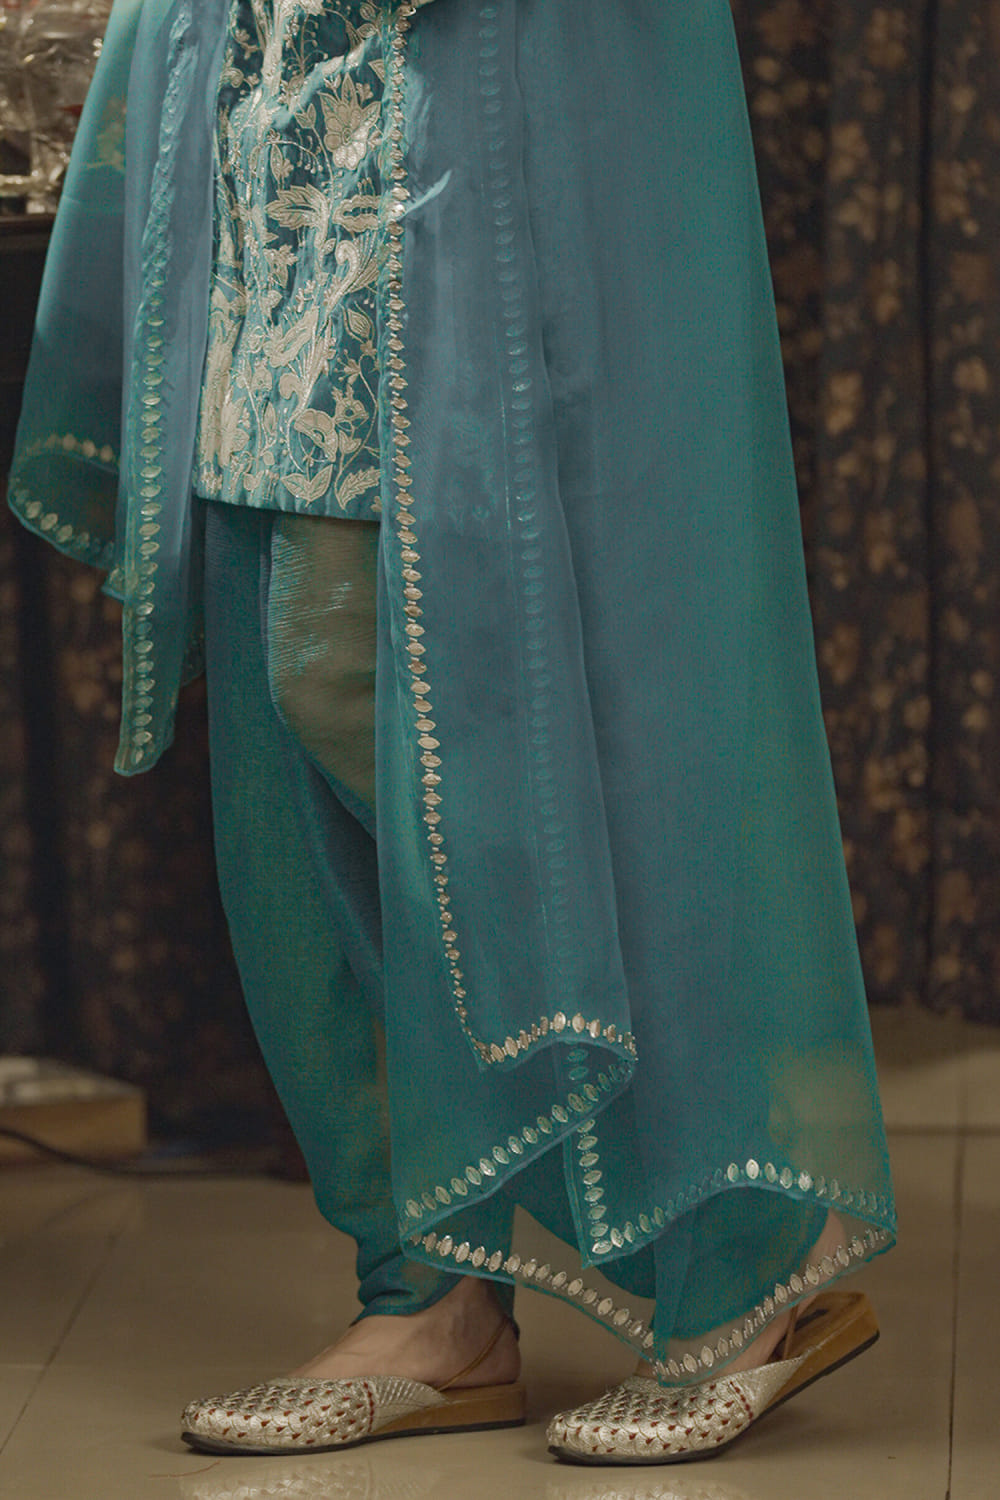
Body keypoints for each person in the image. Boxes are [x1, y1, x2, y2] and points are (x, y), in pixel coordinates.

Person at [8, 0, 895, 1465]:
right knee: (289, 685)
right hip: (277, 90)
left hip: (472, 84)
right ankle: (433, 1291)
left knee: (474, 685)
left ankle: (746, 1236)